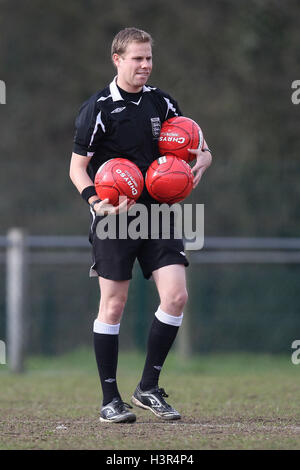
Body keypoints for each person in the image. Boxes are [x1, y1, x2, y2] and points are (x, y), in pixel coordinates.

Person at [69, 27, 212, 423]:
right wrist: (96, 202)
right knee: (113, 304)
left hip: (160, 213)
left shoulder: (161, 102)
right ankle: (110, 400)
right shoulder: (97, 108)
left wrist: (205, 156)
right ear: (117, 59)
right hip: (115, 217)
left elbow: (190, 140)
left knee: (177, 296)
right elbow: (77, 168)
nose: (145, 65)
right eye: (137, 58)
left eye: (149, 58)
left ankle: (148, 387)